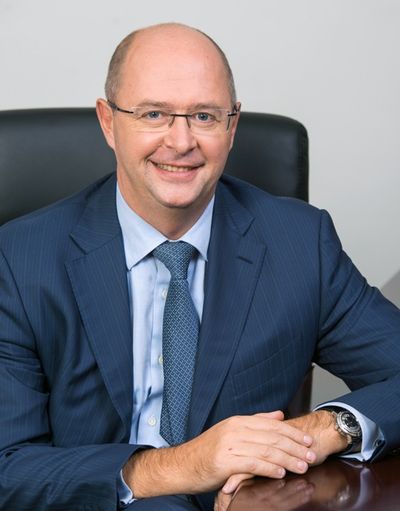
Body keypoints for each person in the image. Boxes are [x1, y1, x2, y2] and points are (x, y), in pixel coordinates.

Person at [0, 22, 400, 511]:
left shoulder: (299, 243)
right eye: (153, 114)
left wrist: (320, 430)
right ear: (108, 122)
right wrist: (182, 465)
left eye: (205, 116)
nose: (181, 141)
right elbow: (7, 467)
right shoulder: (20, 259)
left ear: (232, 126)